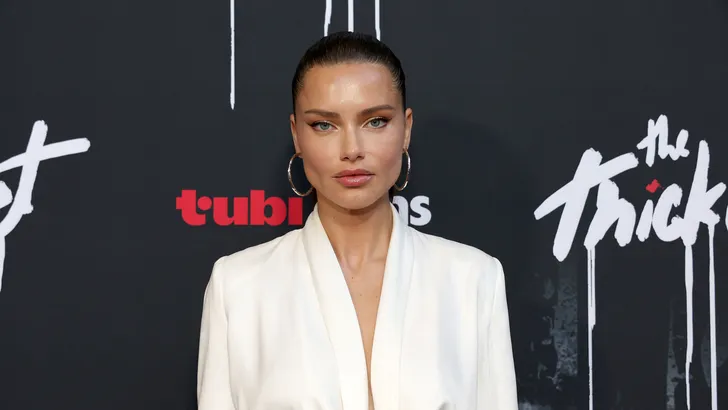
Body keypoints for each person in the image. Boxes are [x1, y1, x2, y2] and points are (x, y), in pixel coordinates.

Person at [196, 31, 518, 410]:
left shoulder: (473, 280)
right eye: (324, 125)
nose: (352, 150)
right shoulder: (238, 287)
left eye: (375, 121)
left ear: (406, 129)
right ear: (296, 135)